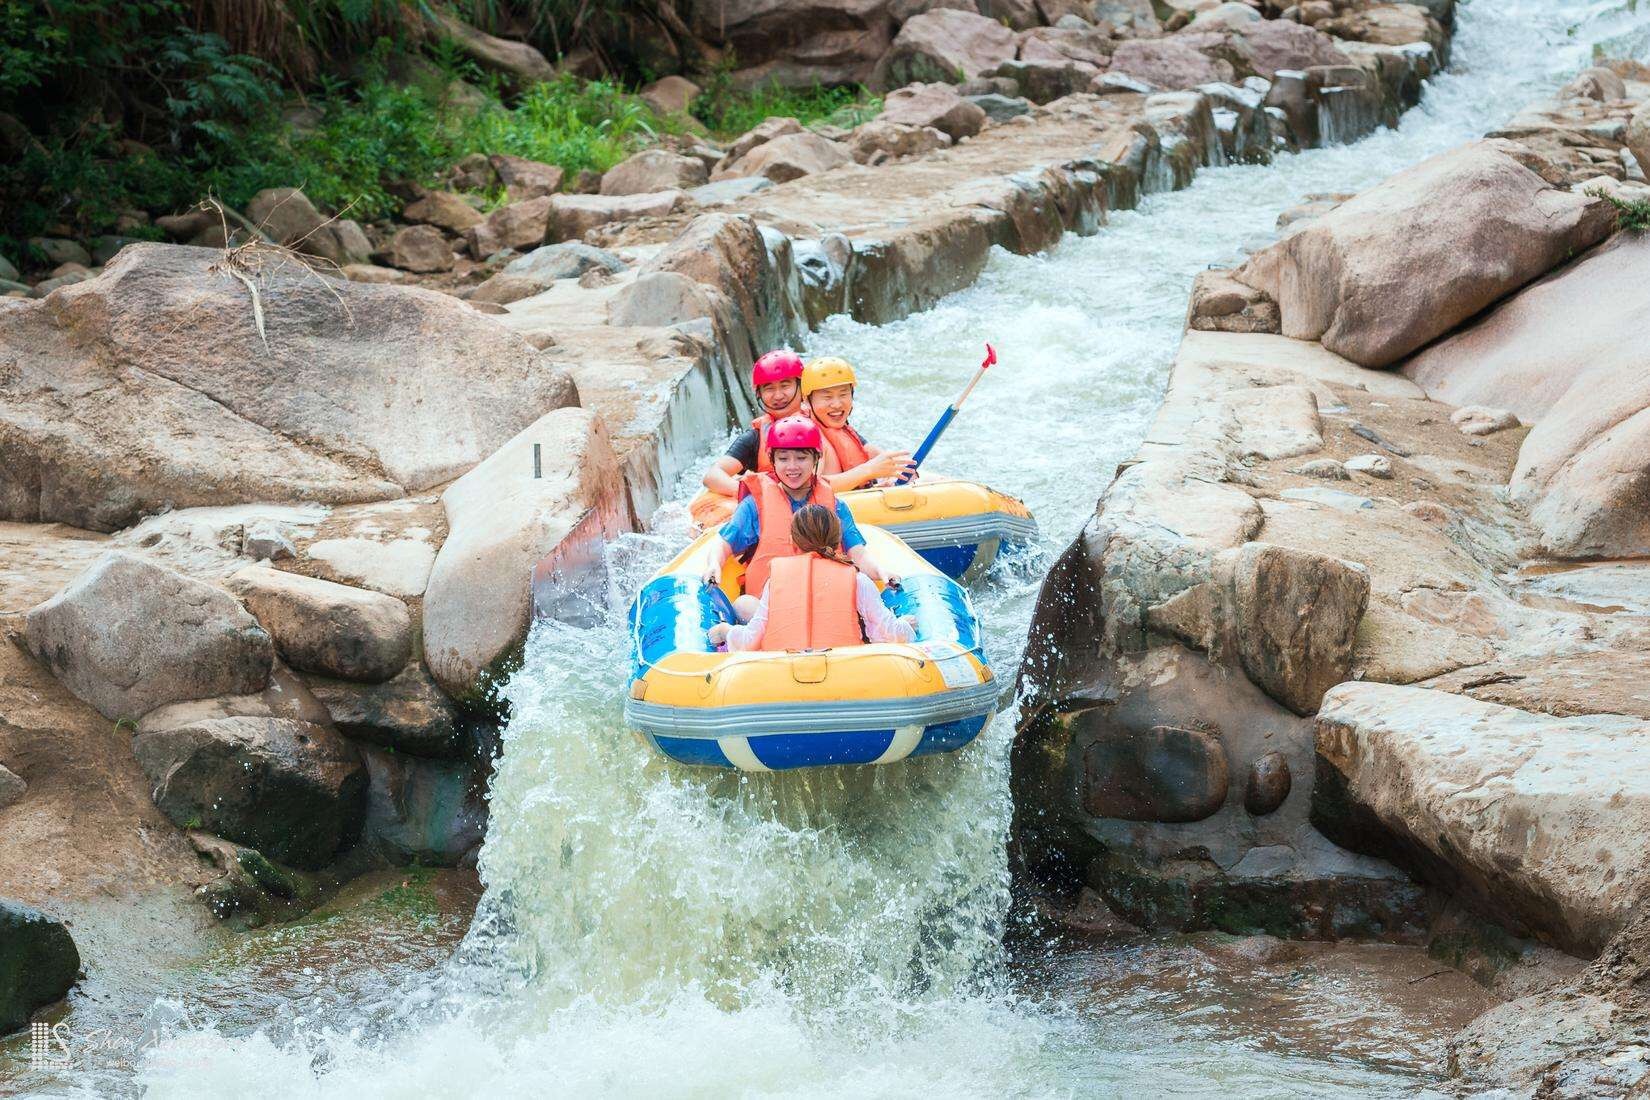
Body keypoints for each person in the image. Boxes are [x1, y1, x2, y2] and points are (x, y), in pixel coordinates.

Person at [700, 415, 898, 622]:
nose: (792, 467)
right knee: (744, 605)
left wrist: (880, 571)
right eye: (783, 459)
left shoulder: (835, 506)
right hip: (773, 608)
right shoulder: (754, 506)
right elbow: (723, 544)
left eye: (801, 458)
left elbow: (858, 553)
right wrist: (714, 564)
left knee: (860, 590)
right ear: (772, 460)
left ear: (816, 458)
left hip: (825, 604)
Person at [710, 505, 916, 652]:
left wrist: (724, 631)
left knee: (744, 607)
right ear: (837, 542)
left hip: (783, 673)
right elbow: (886, 634)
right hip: (846, 671)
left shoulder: (776, 583)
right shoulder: (858, 580)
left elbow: (750, 640)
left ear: (792, 543)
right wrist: (905, 625)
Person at [700, 349, 806, 497]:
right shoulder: (754, 439)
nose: (778, 395)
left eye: (785, 385)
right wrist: (756, 494)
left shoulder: (822, 420)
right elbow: (712, 476)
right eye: (769, 389)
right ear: (759, 395)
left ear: (802, 386)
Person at [801, 357, 918, 491]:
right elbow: (808, 487)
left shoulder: (842, 429)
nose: (837, 404)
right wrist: (869, 470)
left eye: (843, 394)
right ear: (807, 401)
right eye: (827, 397)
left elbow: (880, 456)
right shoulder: (805, 434)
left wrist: (892, 476)